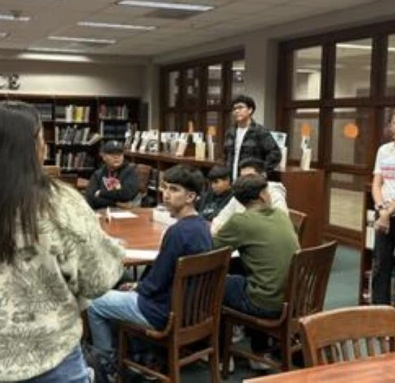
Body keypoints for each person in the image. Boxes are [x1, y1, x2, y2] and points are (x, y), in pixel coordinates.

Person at [0, 101, 124, 383]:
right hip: (50, 359)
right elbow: (97, 279)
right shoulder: (56, 203)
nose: (46, 145)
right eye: (41, 137)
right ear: (32, 146)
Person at [87, 165, 213, 364]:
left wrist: (138, 288)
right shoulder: (203, 227)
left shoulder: (177, 233)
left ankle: (105, 363)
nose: (166, 194)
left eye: (174, 189)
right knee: (126, 281)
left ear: (190, 197)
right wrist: (139, 286)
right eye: (165, 187)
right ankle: (141, 353)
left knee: (94, 302)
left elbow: (155, 285)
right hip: (191, 310)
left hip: (162, 312)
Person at [213, 174, 299, 369]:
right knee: (243, 279)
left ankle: (217, 356)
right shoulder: (280, 215)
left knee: (215, 284)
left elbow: (211, 249)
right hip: (293, 299)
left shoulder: (240, 222)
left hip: (266, 302)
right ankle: (258, 351)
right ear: (262, 195)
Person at [211, 158, 288, 235]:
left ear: (263, 175)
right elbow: (220, 220)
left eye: (250, 177)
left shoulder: (273, 192)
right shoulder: (242, 191)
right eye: (242, 177)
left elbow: (282, 222)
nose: (245, 181)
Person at [223, 95, 281, 181]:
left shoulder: (260, 131)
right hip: (231, 180)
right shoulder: (230, 133)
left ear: (250, 110)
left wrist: (262, 172)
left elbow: (275, 153)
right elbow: (226, 156)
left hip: (250, 182)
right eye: (234, 109)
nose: (237, 111)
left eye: (240, 107)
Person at [371, 110, 395, 305]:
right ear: (390, 126)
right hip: (384, 214)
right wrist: (381, 208)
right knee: (380, 265)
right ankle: (379, 316)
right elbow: (377, 183)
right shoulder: (384, 150)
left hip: (388, 214)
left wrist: (387, 212)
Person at [85, 140, 139, 209]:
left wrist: (102, 193)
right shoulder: (98, 174)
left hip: (123, 214)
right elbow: (90, 198)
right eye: (112, 154)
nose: (116, 157)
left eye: (119, 154)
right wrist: (116, 203)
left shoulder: (130, 171)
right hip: (102, 211)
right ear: (104, 157)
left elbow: (127, 194)